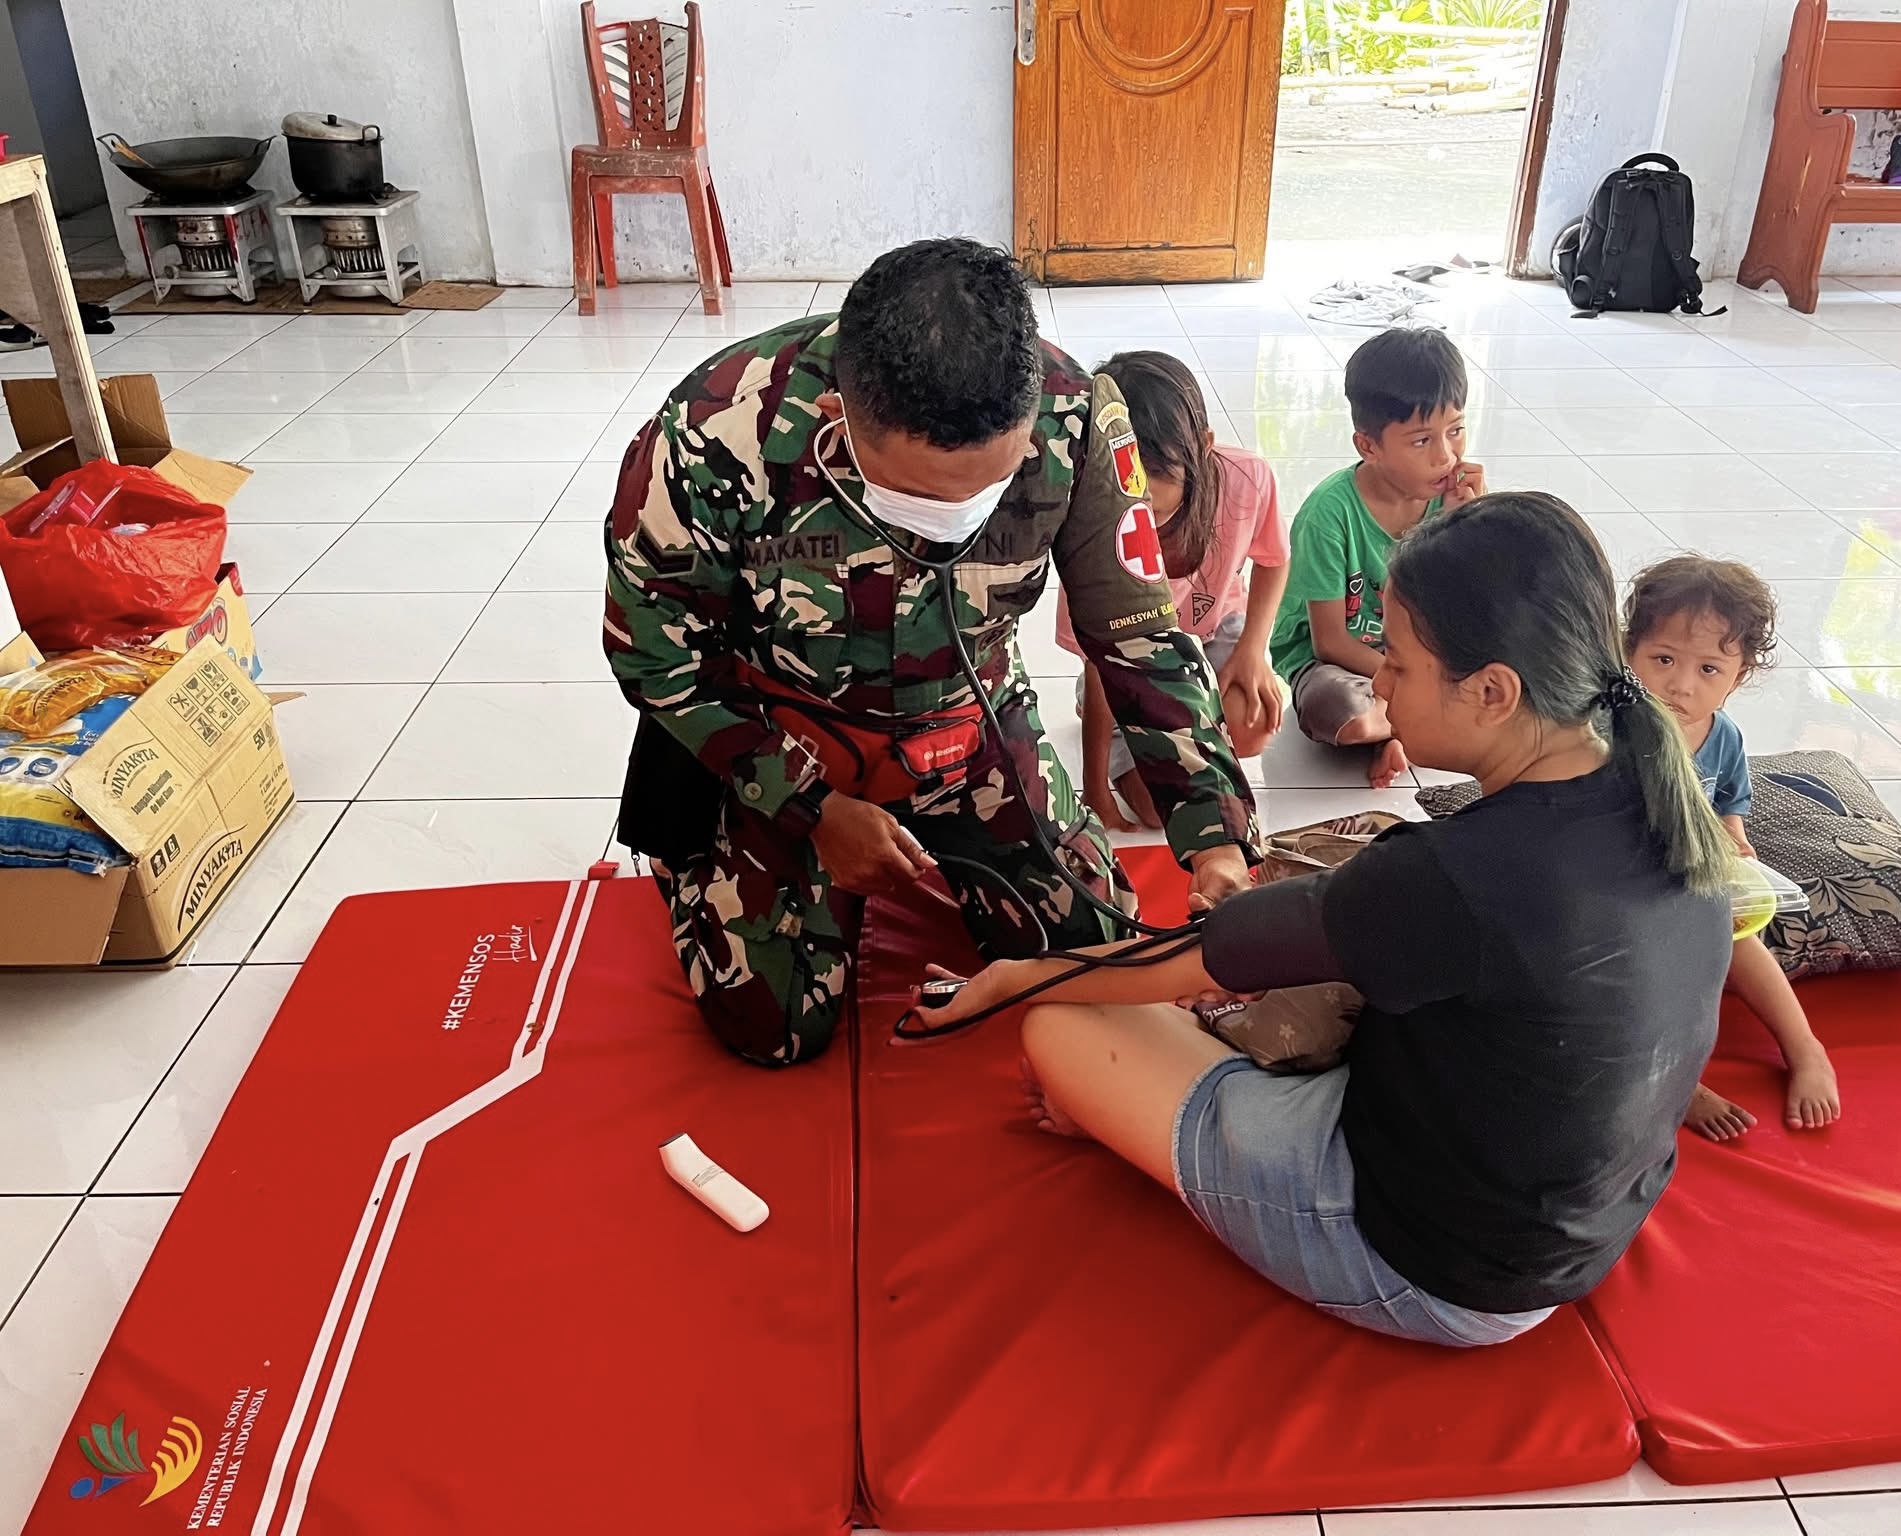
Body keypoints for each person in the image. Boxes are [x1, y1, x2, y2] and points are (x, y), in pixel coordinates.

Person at [923, 494, 1735, 1346]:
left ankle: (1134, 1118)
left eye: (1397, 664)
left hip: (1429, 1271)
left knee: (1063, 1022)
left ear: (1492, 691)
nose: (1377, 684)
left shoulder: (1455, 875)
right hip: (1571, 1229)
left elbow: (1208, 955)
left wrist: (1014, 980)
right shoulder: (1658, 792)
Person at [604, 239, 1259, 1068]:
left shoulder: (1079, 417)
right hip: (784, 728)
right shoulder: (716, 429)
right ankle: (712, 861)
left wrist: (1214, 837)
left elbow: (1140, 637)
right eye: (914, 495)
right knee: (773, 1027)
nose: (949, 524)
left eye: (987, 489)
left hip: (968, 716)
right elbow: (655, 654)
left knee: (1090, 959)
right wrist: (810, 810)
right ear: (839, 416)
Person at [1623, 555, 1843, 1139]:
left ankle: (1805, 1048)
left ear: (1738, 676)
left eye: (1709, 669)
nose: (1681, 684)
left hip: (1689, 878)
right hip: (1618, 889)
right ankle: (1676, 1079)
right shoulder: (1613, 728)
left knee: (1738, 940)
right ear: (1628, 652)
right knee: (1637, 967)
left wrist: (1735, 837)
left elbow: (1729, 800)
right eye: (1663, 660)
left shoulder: (1722, 736)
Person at [1053, 351, 1289, 833]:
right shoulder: (1094, 521)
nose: (1140, 494)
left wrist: (1252, 651)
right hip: (1127, 652)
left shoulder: (1247, 479)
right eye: (1125, 474)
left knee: (1250, 725)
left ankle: (1179, 709)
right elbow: (1100, 661)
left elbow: (1274, 559)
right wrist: (1095, 788)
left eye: (1159, 470)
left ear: (1203, 447)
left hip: (1215, 629)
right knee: (1160, 812)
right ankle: (1119, 725)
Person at [1268, 328, 1485, 790]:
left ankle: (1404, 728)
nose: (1446, 456)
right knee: (1342, 711)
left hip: (1420, 658)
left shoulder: (1457, 499)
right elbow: (1330, 642)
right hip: (1345, 665)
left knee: (1516, 669)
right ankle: (1416, 725)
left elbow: (1466, 612)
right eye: (1421, 441)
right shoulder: (1329, 513)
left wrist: (1465, 526)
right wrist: (1418, 684)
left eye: (1456, 430)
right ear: (1368, 446)